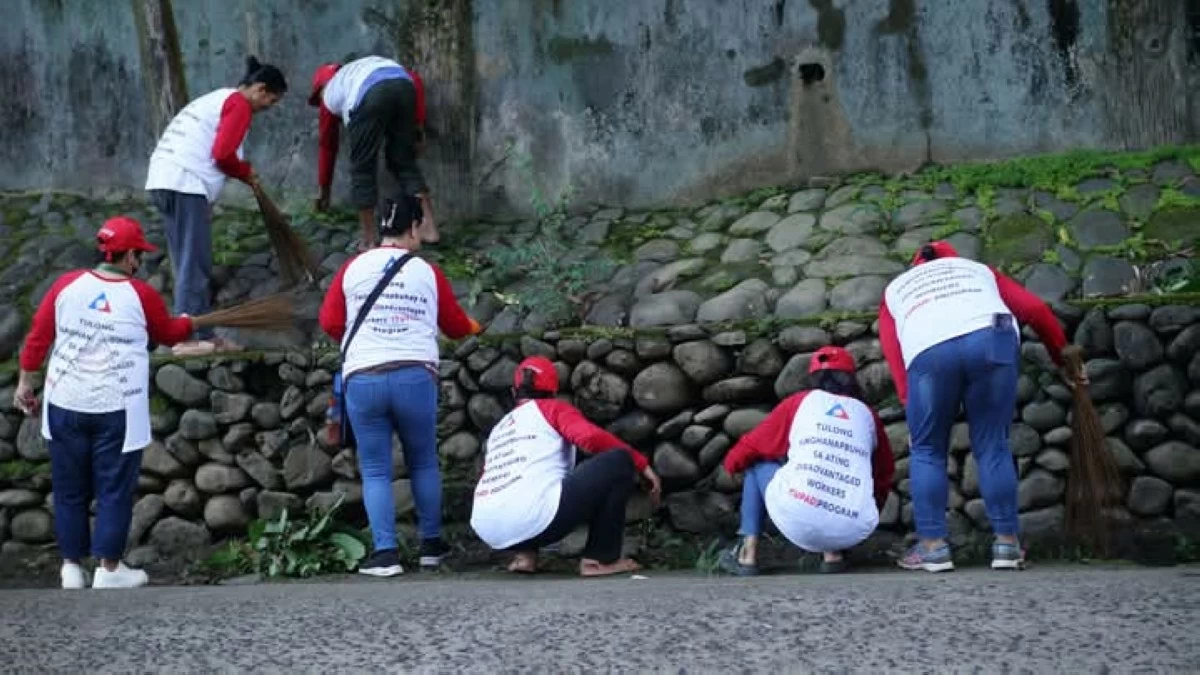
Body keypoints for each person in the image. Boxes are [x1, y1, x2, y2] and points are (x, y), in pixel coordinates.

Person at [14, 217, 196, 589]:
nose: (138, 262)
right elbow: (167, 332)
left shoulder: (66, 285)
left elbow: (37, 339)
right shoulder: (141, 295)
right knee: (113, 488)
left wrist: (24, 384)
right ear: (128, 255)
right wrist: (190, 322)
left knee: (69, 489)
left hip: (65, 403)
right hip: (117, 406)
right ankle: (109, 569)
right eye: (138, 255)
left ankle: (70, 568)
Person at [878, 240, 1074, 573]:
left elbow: (894, 352)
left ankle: (933, 547)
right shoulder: (979, 272)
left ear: (916, 266)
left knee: (927, 449)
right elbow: (1037, 311)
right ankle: (1007, 545)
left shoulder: (897, 289)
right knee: (993, 444)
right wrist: (1062, 356)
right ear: (955, 260)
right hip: (992, 336)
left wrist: (909, 401)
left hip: (929, 349)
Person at [318, 194, 481, 577]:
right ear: (411, 227)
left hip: (365, 378)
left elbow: (329, 322)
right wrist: (476, 326)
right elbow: (457, 327)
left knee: (375, 469)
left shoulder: (352, 268)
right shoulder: (427, 272)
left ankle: (386, 555)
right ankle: (430, 548)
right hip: (414, 376)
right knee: (423, 460)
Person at [145, 56, 288, 357]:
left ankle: (193, 332)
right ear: (260, 89)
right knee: (194, 264)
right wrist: (245, 172)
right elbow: (222, 154)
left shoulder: (217, 99)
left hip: (164, 179)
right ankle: (189, 338)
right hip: (185, 182)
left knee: (186, 260)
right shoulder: (238, 104)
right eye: (270, 101)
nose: (268, 108)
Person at [470, 357, 663, 577]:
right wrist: (640, 463)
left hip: (488, 528)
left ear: (515, 393)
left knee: (525, 479)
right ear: (554, 391)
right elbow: (589, 438)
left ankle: (524, 557)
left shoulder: (500, 428)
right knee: (619, 461)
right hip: (538, 521)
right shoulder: (552, 409)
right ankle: (599, 560)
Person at [718, 346, 895, 576]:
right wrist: (868, 510)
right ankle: (833, 555)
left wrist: (732, 465)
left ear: (813, 377)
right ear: (852, 378)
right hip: (852, 526)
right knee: (842, 474)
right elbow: (883, 473)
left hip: (799, 514)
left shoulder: (800, 403)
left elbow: (752, 446)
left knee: (756, 463)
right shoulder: (867, 415)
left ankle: (747, 555)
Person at [308, 55, 439, 248]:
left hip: (369, 95)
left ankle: (369, 240)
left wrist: (324, 191)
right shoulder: (363, 66)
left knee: (363, 168)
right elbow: (414, 80)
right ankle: (429, 229)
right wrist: (417, 128)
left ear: (320, 87)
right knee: (403, 162)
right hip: (403, 85)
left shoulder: (329, 93)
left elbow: (327, 147)